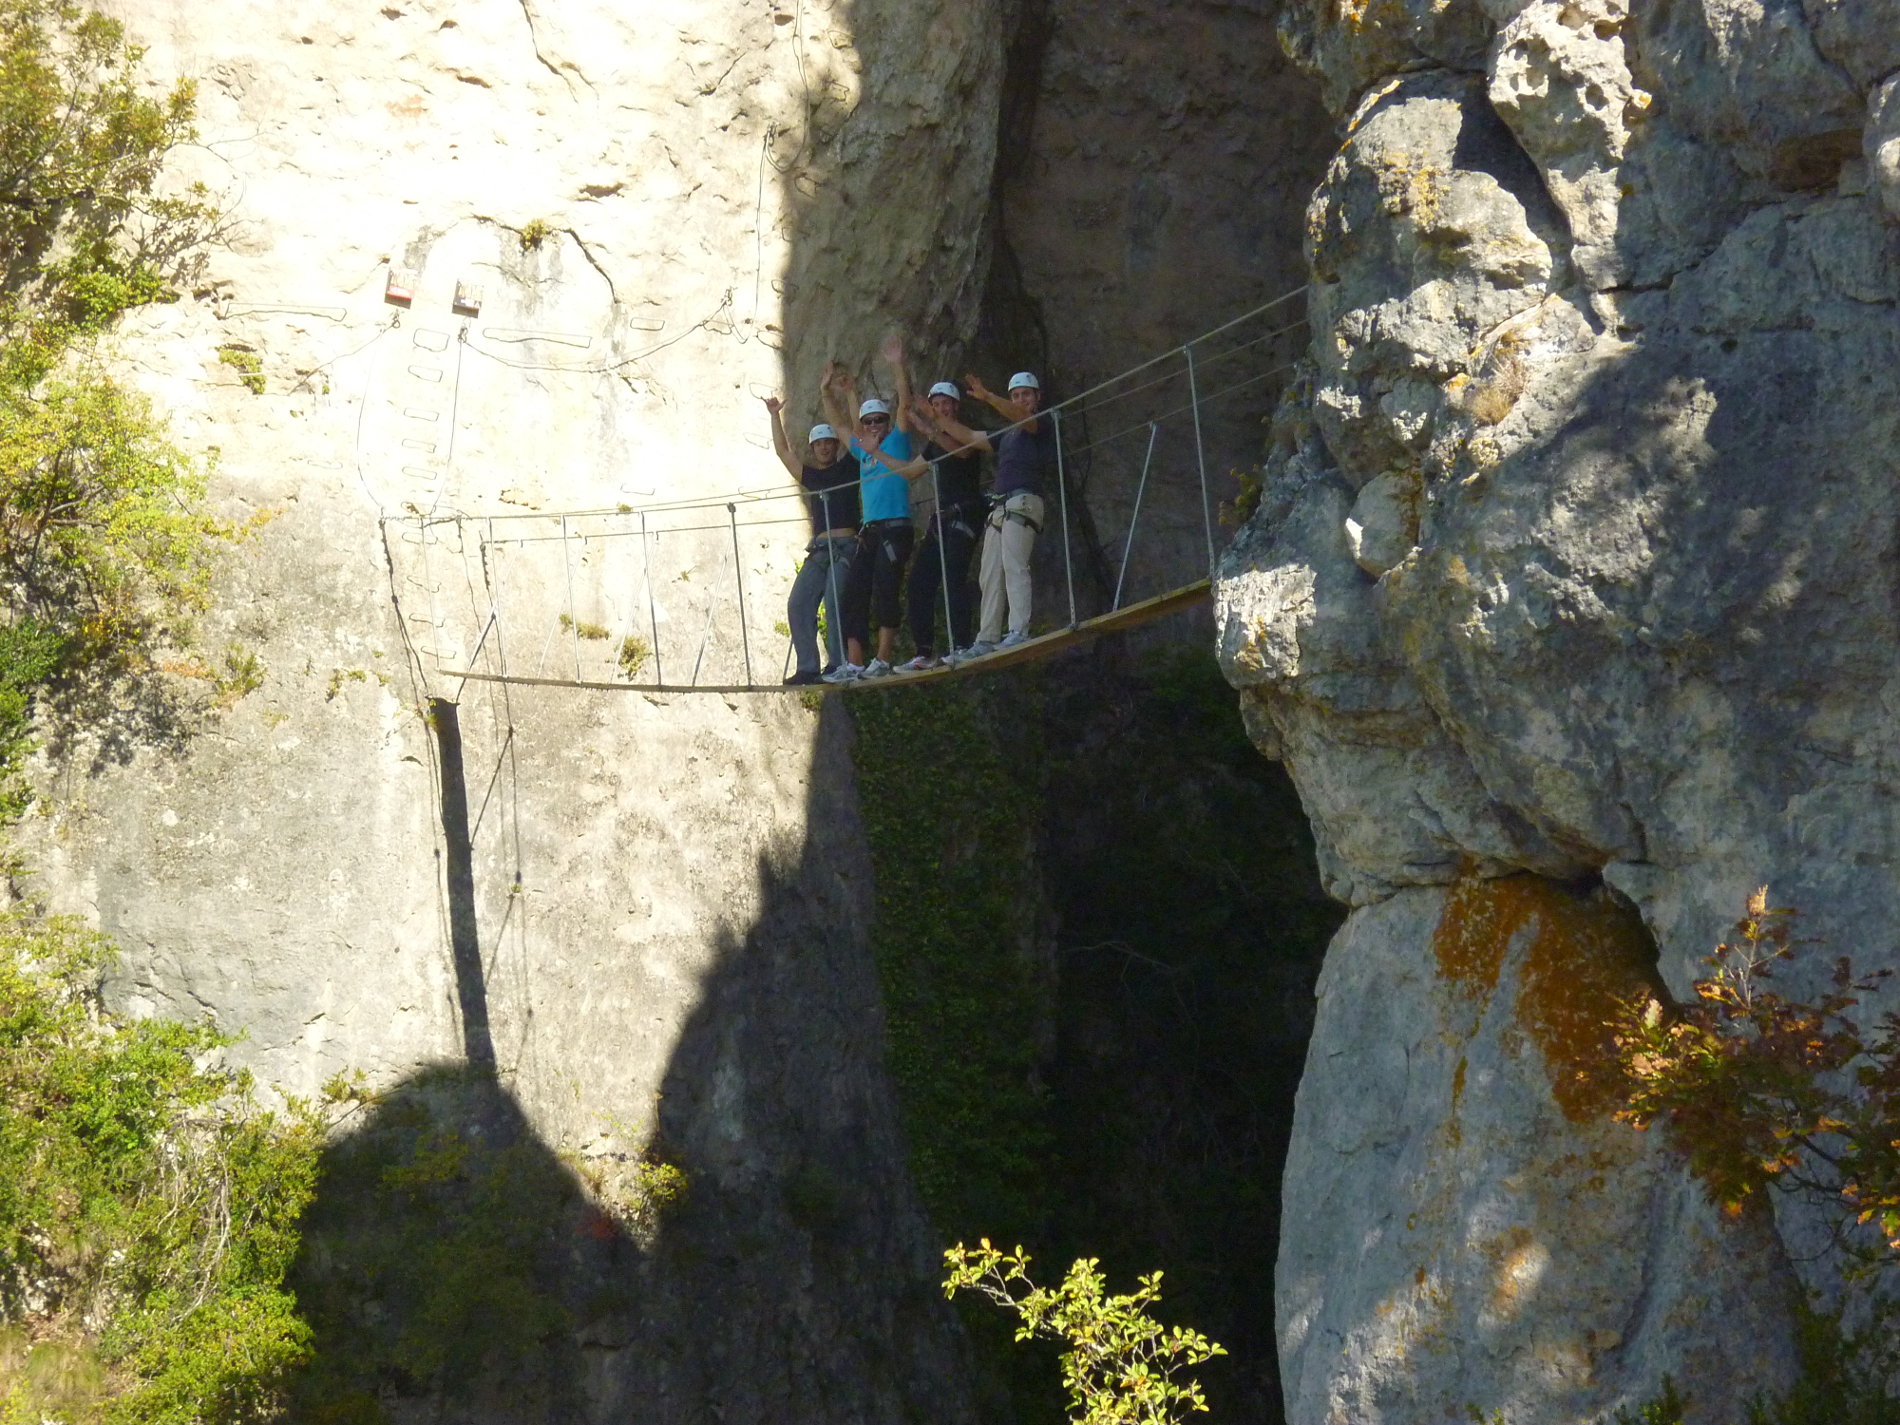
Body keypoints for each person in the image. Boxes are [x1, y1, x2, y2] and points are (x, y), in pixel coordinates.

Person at [929, 370, 1055, 659]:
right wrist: (936, 419)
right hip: (1001, 507)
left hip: (1023, 502)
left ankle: (1018, 630)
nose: (1021, 400)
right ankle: (986, 637)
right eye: (1016, 395)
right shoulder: (1009, 434)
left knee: (1014, 565)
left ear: (1037, 398)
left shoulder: (1041, 422)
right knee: (989, 574)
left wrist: (987, 397)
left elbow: (1022, 417)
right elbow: (971, 437)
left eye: (1026, 394)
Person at [819, 337, 918, 681]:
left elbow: (905, 403)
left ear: (887, 423)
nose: (875, 425)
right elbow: (840, 426)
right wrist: (827, 391)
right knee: (854, 594)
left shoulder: (896, 442)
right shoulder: (863, 450)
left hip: (896, 526)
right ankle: (856, 663)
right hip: (870, 530)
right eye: (869, 421)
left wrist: (896, 364)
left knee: (886, 589)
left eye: (880, 420)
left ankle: (883, 659)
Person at [764, 396, 858, 685]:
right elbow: (782, 452)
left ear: (837, 445)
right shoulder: (812, 477)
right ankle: (808, 667)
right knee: (798, 603)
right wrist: (774, 415)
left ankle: (839, 664)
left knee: (833, 602)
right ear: (813, 448)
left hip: (845, 546)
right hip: (819, 550)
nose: (825, 447)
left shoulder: (850, 466)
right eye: (819, 444)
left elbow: (853, 429)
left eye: (829, 442)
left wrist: (840, 394)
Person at [895, 381, 987, 670]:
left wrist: (926, 424)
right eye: (936, 404)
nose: (941, 408)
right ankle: (923, 652)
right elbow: (911, 472)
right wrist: (876, 455)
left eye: (946, 403)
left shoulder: (966, 436)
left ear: (956, 407)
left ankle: (961, 645)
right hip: (944, 519)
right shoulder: (936, 442)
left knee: (953, 578)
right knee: (919, 582)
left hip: (966, 513)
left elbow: (959, 452)